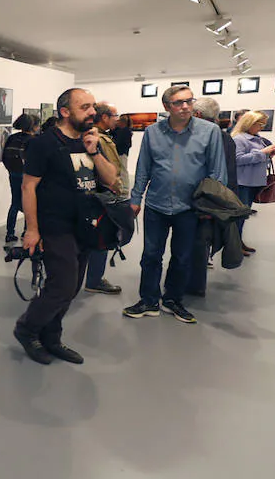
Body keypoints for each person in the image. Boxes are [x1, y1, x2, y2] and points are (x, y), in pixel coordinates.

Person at [13, 88, 118, 365]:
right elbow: (28, 186)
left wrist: (94, 151)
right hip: (55, 225)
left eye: (93, 106)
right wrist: (32, 229)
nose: (93, 112)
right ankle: (27, 329)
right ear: (65, 112)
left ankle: (52, 337)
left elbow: (111, 180)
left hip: (86, 225)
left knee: (72, 288)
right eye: (85, 107)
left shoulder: (92, 141)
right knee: (62, 285)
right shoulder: (44, 143)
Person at [122, 86, 226, 324]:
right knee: (150, 255)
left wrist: (212, 207)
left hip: (189, 208)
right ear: (167, 106)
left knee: (182, 256)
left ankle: (173, 300)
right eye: (179, 103)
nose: (186, 106)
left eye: (189, 101)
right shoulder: (152, 132)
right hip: (157, 205)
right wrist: (136, 198)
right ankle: (148, 300)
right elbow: (143, 168)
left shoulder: (210, 132)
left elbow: (217, 172)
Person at [187, 97, 238, 296]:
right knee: (198, 243)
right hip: (210, 200)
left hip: (206, 201)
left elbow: (222, 175)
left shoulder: (213, 137)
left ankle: (193, 286)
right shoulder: (226, 138)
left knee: (199, 243)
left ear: (198, 114)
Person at [83, 102, 125, 296]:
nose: (117, 119)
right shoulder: (99, 139)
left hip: (94, 195)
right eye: (114, 115)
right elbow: (109, 171)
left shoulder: (96, 137)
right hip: (101, 196)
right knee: (101, 239)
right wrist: (118, 189)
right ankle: (94, 280)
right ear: (104, 117)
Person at [232, 111, 275, 253]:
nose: (261, 127)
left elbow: (257, 159)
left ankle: (238, 243)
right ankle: (234, 246)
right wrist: (263, 153)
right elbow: (237, 160)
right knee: (239, 217)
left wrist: (269, 154)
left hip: (253, 183)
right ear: (249, 123)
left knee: (243, 216)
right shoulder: (239, 139)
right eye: (259, 124)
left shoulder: (257, 139)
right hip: (243, 183)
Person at [2, 113, 39, 244]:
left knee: (15, 203)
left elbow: (4, 157)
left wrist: (11, 170)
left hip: (13, 174)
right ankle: (25, 231)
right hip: (28, 176)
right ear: (33, 125)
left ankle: (9, 233)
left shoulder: (12, 138)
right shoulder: (34, 140)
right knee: (29, 203)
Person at [112, 114, 133, 199]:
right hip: (121, 153)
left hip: (121, 153)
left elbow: (120, 142)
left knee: (123, 170)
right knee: (122, 170)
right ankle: (123, 188)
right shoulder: (124, 130)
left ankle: (125, 189)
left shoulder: (125, 131)